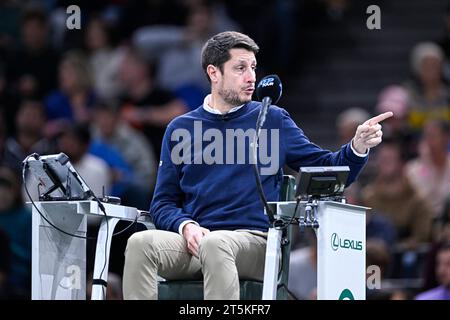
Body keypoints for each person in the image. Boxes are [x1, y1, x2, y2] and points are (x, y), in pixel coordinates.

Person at [122, 31, 392, 300]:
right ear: (214, 73)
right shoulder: (180, 129)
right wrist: (185, 226)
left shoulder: (272, 119)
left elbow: (326, 168)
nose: (252, 77)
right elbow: (162, 203)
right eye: (240, 68)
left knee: (217, 244)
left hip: (257, 244)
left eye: (253, 67)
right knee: (140, 243)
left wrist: (357, 147)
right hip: (197, 242)